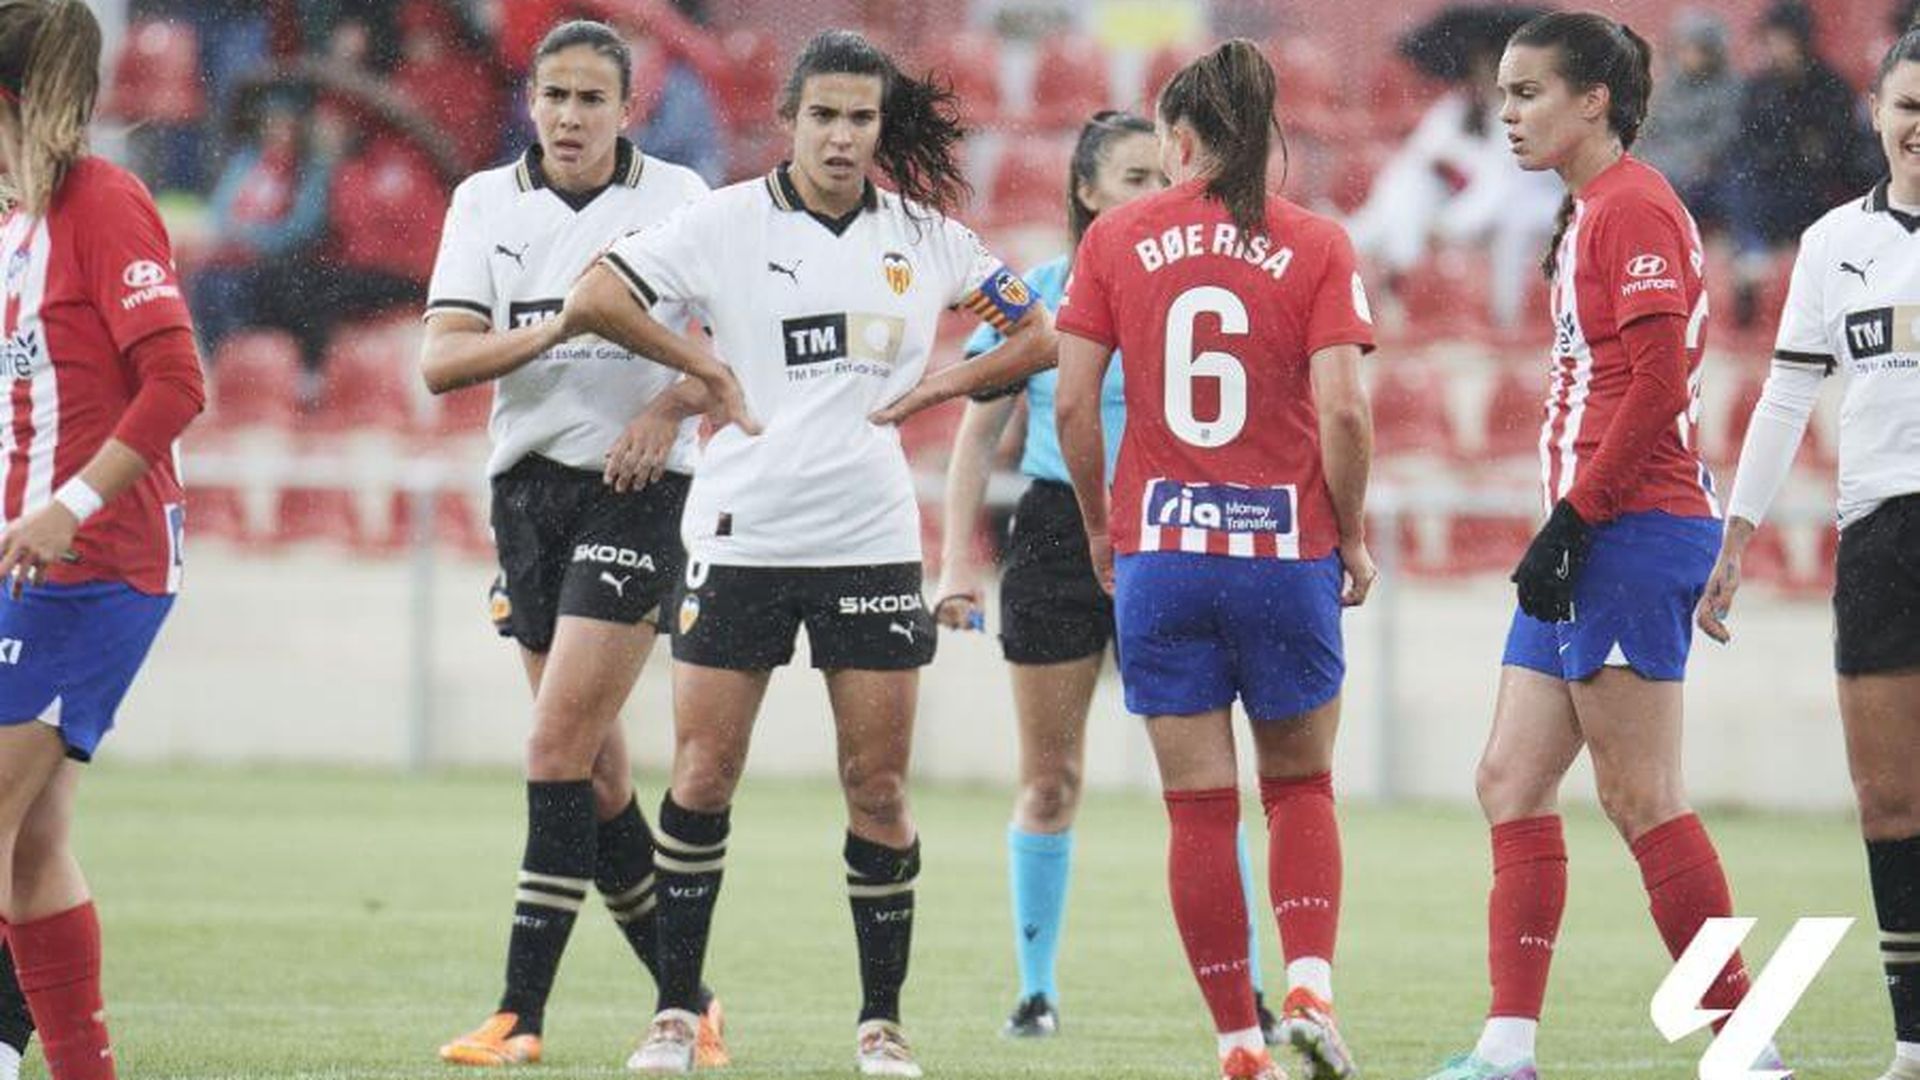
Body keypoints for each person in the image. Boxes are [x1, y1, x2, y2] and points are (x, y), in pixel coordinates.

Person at [564, 28, 1054, 1077]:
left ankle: (882, 1025)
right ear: (789, 119)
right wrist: (705, 370)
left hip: (870, 543)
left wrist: (940, 388)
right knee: (703, 774)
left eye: (860, 118)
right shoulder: (726, 222)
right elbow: (597, 295)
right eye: (823, 115)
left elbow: (1037, 333)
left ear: (882, 128)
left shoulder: (927, 237)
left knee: (876, 787)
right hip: (740, 537)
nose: (840, 135)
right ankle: (674, 1018)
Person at [1419, 14, 1785, 1080]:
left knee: (1641, 797)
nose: (1509, 116)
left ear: (1594, 101)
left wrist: (1575, 520)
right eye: (1501, 97)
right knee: (1509, 778)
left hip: (1626, 529)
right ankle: (1507, 1049)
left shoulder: (1635, 208)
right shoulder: (1591, 210)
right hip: (1590, 532)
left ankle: (1750, 1050)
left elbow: (1658, 386)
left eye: (1528, 93)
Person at [418, 19, 740, 1070]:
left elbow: (737, 360)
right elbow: (442, 362)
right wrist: (560, 327)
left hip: (637, 494)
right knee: (595, 777)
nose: (568, 116)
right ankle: (689, 1001)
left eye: (590, 98)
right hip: (528, 498)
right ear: (531, 100)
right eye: (553, 95)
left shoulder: (681, 201)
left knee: (553, 748)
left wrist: (666, 410)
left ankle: (521, 1016)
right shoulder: (482, 202)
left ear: (627, 107)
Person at [1060, 39, 1376, 1080]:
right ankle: (1311, 983)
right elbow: (1344, 408)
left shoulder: (1114, 237)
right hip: (1283, 550)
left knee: (1197, 808)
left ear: (1179, 139)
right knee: (1299, 786)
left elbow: (1070, 401)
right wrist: (1356, 531)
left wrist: (1106, 529)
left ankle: (1239, 1046)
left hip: (1163, 549)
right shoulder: (1319, 242)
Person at [934, 109, 1284, 1044]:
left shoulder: (1198, 292)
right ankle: (1035, 989)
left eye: (1162, 175)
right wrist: (953, 564)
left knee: (1207, 781)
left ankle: (1245, 989)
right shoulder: (1038, 295)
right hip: (1056, 535)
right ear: (1086, 191)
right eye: (1133, 176)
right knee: (1051, 778)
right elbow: (975, 430)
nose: (1155, 191)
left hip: (1175, 533)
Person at [1698, 21, 1920, 1080]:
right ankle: (1914, 1043)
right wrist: (1736, 535)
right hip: (1880, 534)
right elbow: (1789, 391)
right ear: (1877, 114)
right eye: (1909, 106)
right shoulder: (1838, 243)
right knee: (1889, 801)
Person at [0, 3, 207, 1080]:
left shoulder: (103, 203)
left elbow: (178, 384)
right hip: (36, 559)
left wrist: (68, 506)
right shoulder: (18, 222)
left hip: (97, 558)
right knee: (30, 842)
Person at [1633, 9, 1741, 231]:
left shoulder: (1728, 88)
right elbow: (1649, 127)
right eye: (1682, 48)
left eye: (1694, 48)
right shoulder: (1669, 86)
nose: (1687, 55)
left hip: (1700, 171)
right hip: (1662, 159)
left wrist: (1694, 159)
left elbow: (1722, 135)